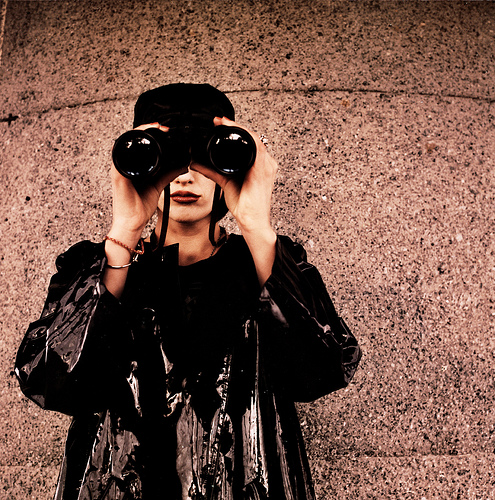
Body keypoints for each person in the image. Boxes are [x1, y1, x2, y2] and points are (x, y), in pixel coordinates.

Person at [15, 83, 361, 500]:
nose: (185, 175)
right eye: (168, 155)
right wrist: (124, 232)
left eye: (203, 156)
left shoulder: (265, 261)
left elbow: (324, 368)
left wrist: (256, 224)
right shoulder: (96, 267)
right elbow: (48, 378)